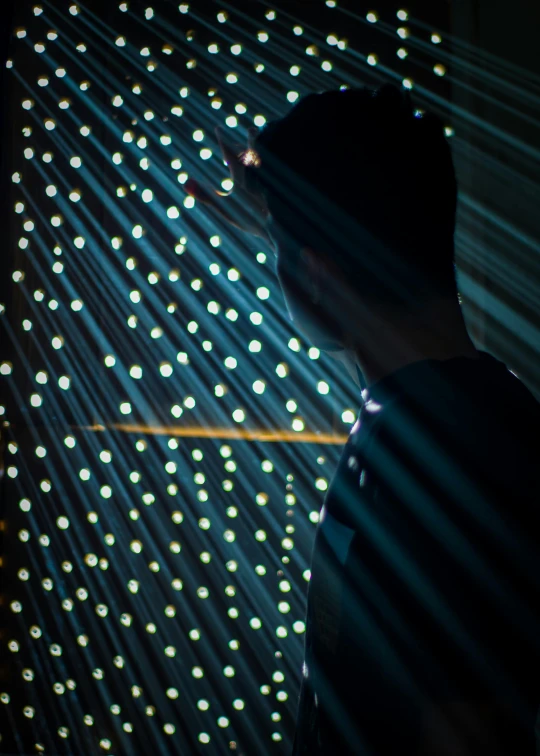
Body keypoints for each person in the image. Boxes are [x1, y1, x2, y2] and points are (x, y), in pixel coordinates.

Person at [186, 85, 540, 755]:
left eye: (282, 250)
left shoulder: (434, 457)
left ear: (317, 273)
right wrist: (283, 220)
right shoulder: (470, 422)